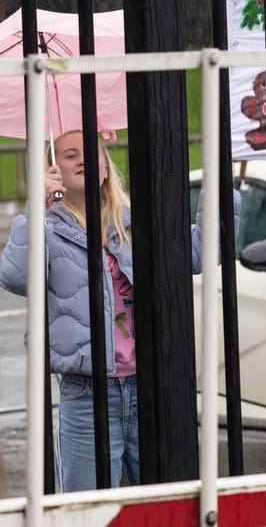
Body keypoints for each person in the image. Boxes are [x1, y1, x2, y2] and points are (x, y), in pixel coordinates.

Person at [0, 130, 240, 491]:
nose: (81, 159)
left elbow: (200, 252)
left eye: (89, 151)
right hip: (87, 397)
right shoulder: (48, 231)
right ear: (54, 170)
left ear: (106, 166)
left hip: (150, 387)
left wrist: (218, 182)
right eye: (68, 155)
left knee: (166, 506)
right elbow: (15, 276)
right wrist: (36, 208)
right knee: (87, 512)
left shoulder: (136, 221)